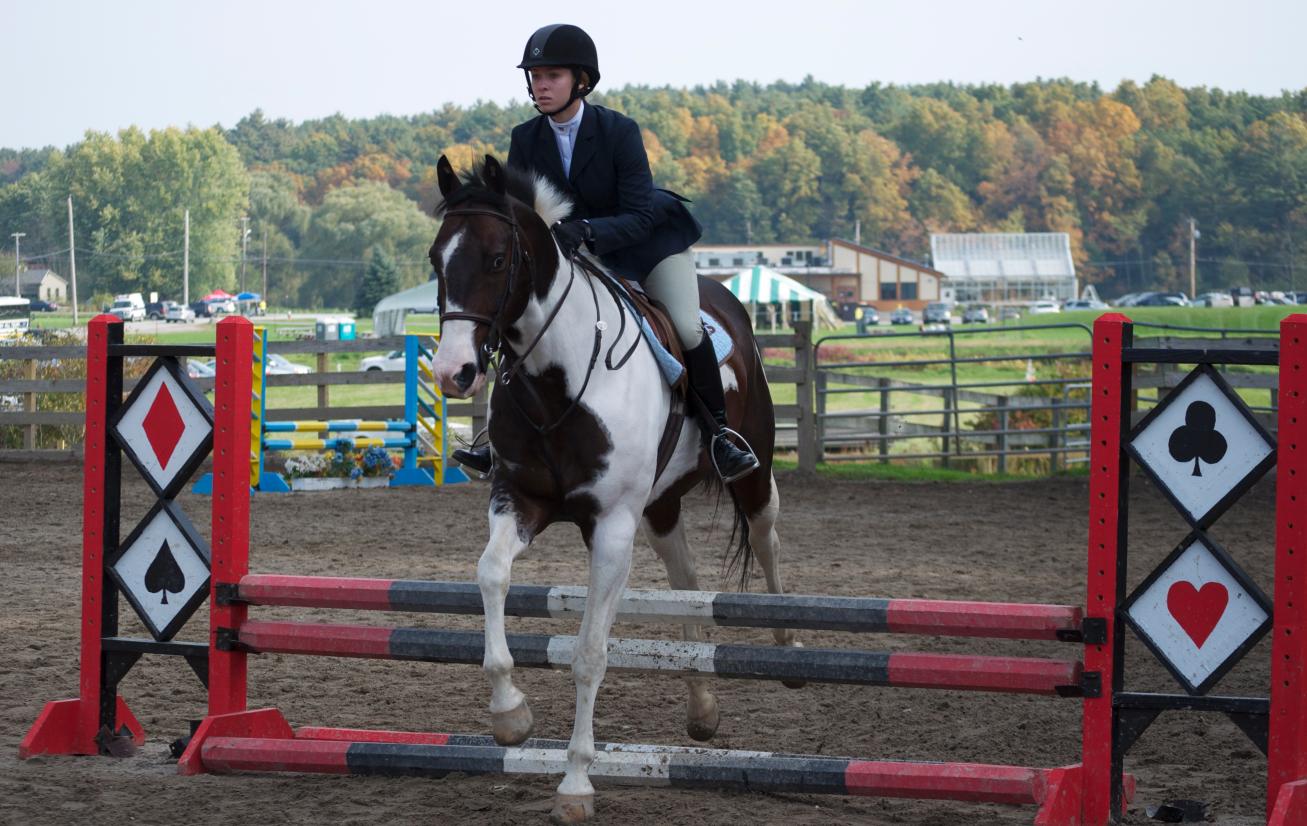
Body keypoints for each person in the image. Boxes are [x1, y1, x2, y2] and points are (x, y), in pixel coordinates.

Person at [451, 23, 759, 483]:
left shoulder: (618, 131)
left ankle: (719, 436)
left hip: (646, 246)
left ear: (581, 81)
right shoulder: (526, 138)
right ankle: (496, 440)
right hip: (576, 256)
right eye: (534, 75)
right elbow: (523, 218)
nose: (540, 84)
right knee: (521, 325)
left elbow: (640, 215)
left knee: (687, 326)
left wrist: (588, 230)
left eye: (552, 75)